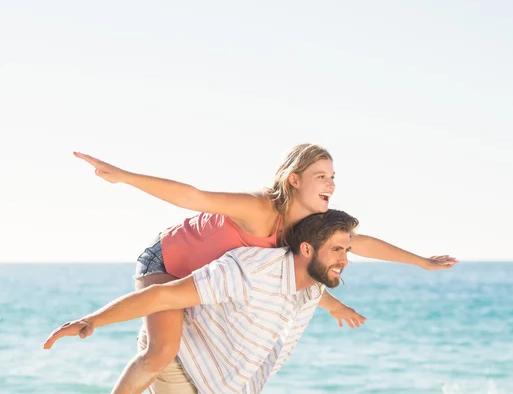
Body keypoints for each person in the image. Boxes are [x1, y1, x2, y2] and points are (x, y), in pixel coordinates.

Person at [73, 143, 457, 393]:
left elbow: (348, 249)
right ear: (294, 180)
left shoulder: (306, 230)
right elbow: (194, 196)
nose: (331, 184)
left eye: (333, 177)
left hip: (206, 277)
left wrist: (421, 262)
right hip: (166, 263)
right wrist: (123, 177)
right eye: (321, 176)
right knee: (161, 351)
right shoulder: (261, 209)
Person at [44, 210, 361, 393]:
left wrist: (338, 308)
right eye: (337, 250)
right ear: (306, 249)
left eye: (347, 251)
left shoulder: (312, 287)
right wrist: (93, 320)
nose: (344, 260)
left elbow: (316, 295)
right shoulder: (253, 269)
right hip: (184, 365)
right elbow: (162, 295)